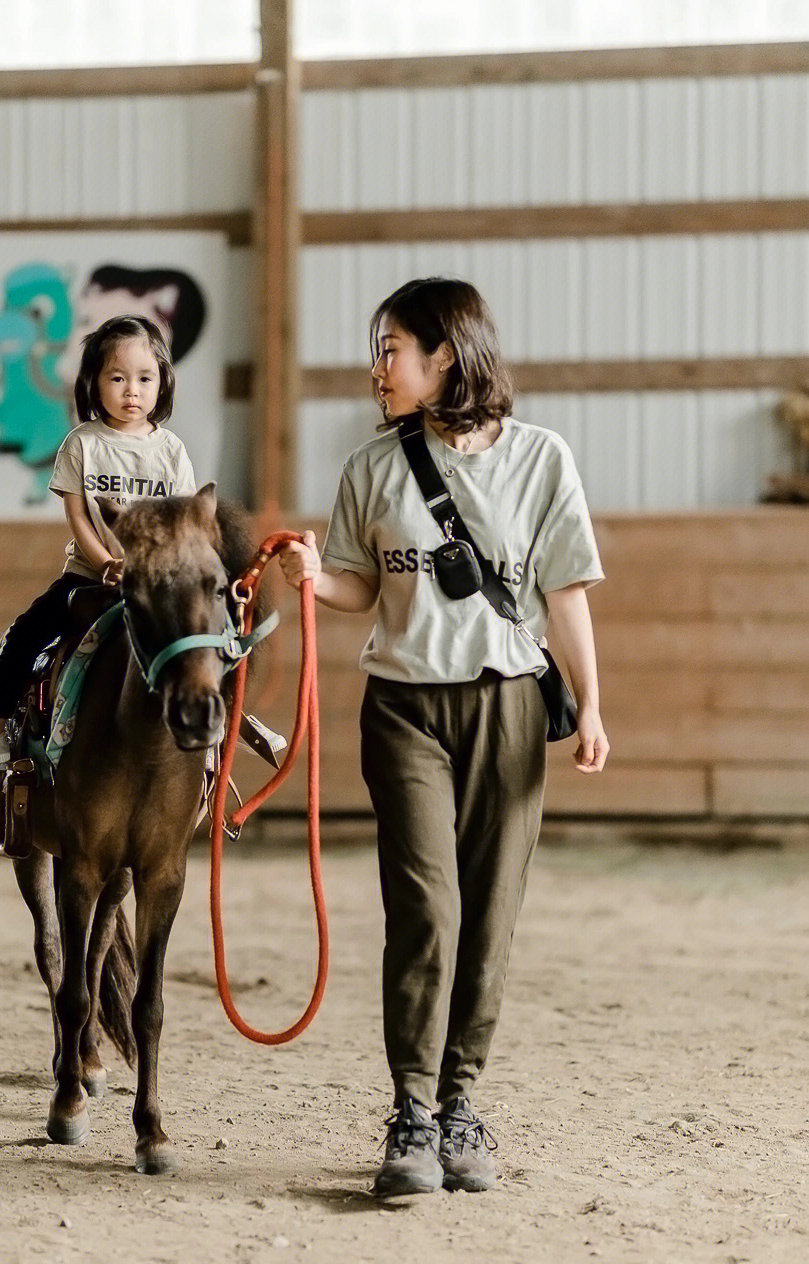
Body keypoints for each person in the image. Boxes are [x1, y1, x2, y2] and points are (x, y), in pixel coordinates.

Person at [279, 277, 609, 1197]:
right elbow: (359, 589)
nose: (377, 367)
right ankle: (413, 1115)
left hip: (508, 704)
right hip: (403, 708)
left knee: (491, 911)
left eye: (392, 350)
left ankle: (462, 1105)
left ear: (446, 356)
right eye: (378, 350)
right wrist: (311, 575)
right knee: (428, 908)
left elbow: (564, 593)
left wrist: (592, 704)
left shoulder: (542, 459)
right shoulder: (371, 468)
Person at [0, 315, 195, 774]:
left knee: (206, 637)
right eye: (118, 378)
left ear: (163, 383)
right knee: (26, 633)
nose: (132, 390)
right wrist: (108, 562)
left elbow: (181, 524)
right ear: (93, 382)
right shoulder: (82, 444)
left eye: (145, 378)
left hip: (154, 584)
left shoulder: (171, 450)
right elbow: (78, 519)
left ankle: (219, 735)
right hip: (89, 580)